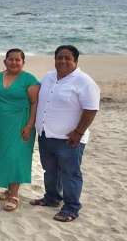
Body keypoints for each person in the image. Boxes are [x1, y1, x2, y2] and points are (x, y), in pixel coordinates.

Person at [30, 45, 99, 222]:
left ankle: (71, 208)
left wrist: (78, 132)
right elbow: (35, 92)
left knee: (70, 173)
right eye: (59, 57)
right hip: (46, 134)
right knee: (50, 170)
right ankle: (52, 198)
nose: (62, 61)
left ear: (75, 60)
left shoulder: (85, 82)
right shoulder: (48, 77)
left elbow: (90, 110)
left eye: (67, 58)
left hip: (70, 138)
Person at [0, 48, 39, 212]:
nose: (14, 62)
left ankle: (14, 194)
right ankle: (8, 190)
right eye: (11, 59)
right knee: (4, 156)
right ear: (5, 61)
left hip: (21, 123)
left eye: (17, 60)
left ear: (23, 62)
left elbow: (35, 103)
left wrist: (29, 125)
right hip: (1, 124)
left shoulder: (29, 79)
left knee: (16, 157)